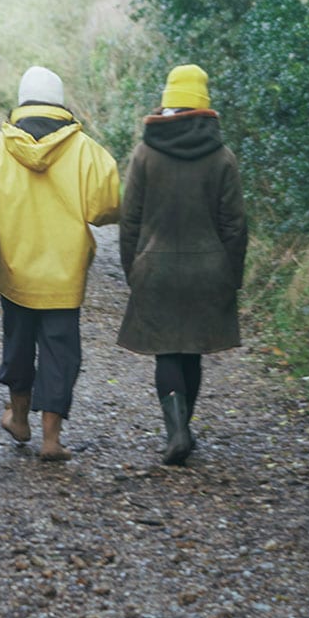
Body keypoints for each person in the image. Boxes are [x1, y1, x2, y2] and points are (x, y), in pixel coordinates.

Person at [0, 65, 121, 461]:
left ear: (22, 101)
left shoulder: (0, 150)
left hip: (17, 276)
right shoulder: (85, 150)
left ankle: (19, 419)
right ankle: (52, 440)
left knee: (19, 347)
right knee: (61, 354)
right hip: (65, 278)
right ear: (60, 103)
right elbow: (107, 206)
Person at [117, 63, 248, 464]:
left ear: (168, 100)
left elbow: (130, 220)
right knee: (191, 352)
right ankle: (183, 429)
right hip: (208, 271)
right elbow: (235, 225)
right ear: (205, 103)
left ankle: (176, 431)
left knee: (167, 353)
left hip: (155, 270)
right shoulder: (223, 157)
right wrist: (232, 276)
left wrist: (132, 270)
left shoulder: (144, 154)